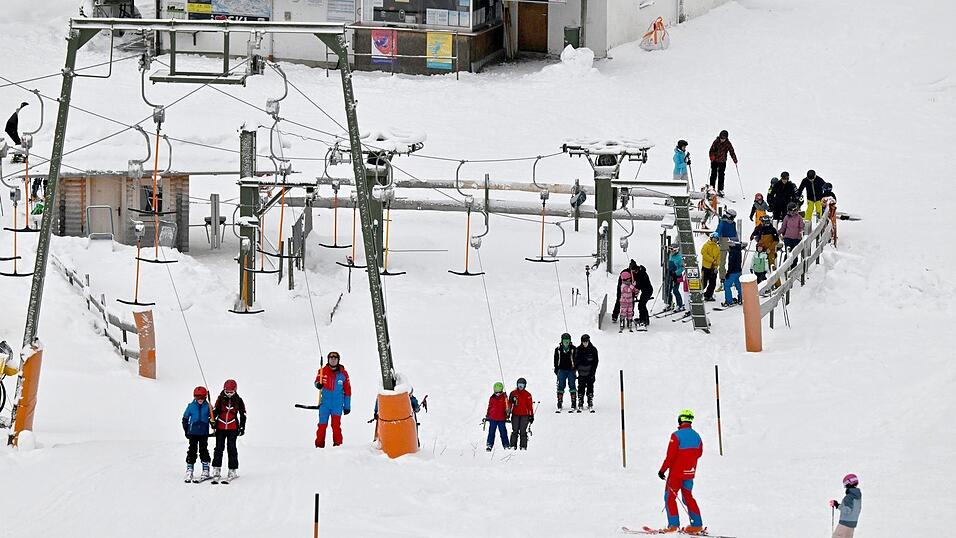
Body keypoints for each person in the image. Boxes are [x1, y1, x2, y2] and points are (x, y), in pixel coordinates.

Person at [657, 409, 704, 534]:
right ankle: (697, 524)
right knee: (688, 497)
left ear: (680, 420)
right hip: (690, 474)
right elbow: (699, 453)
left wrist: (662, 470)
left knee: (669, 498)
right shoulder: (697, 436)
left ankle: (673, 525)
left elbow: (670, 456)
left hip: (676, 475)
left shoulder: (676, 436)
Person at [211, 379, 246, 483]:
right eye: (227, 392)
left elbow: (243, 414)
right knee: (218, 448)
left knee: (231, 448)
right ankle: (216, 469)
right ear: (224, 390)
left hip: (233, 428)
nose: (229, 394)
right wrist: (212, 420)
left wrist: (242, 427)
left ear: (235, 391)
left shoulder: (238, 400)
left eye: (231, 392)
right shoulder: (220, 398)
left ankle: (232, 470)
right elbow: (216, 411)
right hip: (221, 427)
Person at [314, 351, 352, 448]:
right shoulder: (322, 371)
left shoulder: (343, 374)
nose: (333, 359)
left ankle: (338, 447)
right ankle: (319, 447)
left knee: (336, 427)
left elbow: (348, 390)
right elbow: (317, 382)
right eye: (331, 358)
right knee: (322, 426)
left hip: (337, 405)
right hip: (325, 405)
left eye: (335, 358)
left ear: (338, 360)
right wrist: (318, 385)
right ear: (328, 359)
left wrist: (347, 406)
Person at [181, 386, 212, 483]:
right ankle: (190, 469)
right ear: (194, 397)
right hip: (193, 432)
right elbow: (185, 418)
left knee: (203, 450)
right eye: (197, 398)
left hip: (203, 433)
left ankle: (206, 469)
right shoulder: (191, 406)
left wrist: (213, 423)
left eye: (202, 397)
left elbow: (213, 417)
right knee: (192, 450)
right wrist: (186, 430)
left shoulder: (208, 406)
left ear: (206, 397)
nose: (200, 400)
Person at [829, 474, 862, 538]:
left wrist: (837, 505)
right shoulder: (858, 496)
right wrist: (838, 505)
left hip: (845, 523)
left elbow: (847, 510)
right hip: (852, 524)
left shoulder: (849, 497)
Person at [707, 130, 737, 196]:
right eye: (721, 138)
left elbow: (731, 151)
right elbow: (711, 150)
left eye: (724, 138)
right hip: (715, 161)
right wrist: (711, 156)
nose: (722, 140)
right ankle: (712, 188)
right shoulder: (716, 142)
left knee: (721, 175)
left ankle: (720, 189)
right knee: (713, 175)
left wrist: (734, 159)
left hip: (722, 161)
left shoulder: (728, 143)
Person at [507, 378, 534, 450]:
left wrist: (531, 415)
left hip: (525, 415)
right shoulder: (513, 393)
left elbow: (530, 406)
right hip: (515, 414)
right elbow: (509, 404)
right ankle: (513, 445)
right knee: (515, 430)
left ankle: (523, 446)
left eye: (522, 385)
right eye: (519, 384)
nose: (520, 386)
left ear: (525, 385)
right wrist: (508, 412)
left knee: (523, 431)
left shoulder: (528, 395)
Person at [553, 333, 577, 412]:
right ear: (562, 341)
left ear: (570, 341)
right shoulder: (558, 349)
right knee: (561, 386)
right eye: (564, 341)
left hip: (571, 370)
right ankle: (560, 401)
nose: (566, 342)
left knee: (572, 385)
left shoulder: (573, 349)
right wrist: (557, 370)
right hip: (562, 370)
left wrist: (575, 369)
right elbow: (556, 361)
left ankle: (573, 402)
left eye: (567, 341)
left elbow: (576, 359)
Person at [575, 334, 598, 412]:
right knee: (581, 387)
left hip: (590, 372)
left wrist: (593, 372)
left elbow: (595, 362)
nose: (585, 343)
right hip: (581, 373)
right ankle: (580, 402)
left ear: (589, 341)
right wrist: (578, 368)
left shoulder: (593, 349)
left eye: (586, 341)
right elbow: (575, 360)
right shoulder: (578, 349)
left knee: (590, 387)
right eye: (583, 342)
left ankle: (590, 401)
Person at [485, 382, 510, 451]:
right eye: (496, 391)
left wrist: (508, 412)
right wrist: (488, 414)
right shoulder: (492, 398)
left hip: (501, 418)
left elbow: (508, 407)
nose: (498, 393)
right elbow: (490, 407)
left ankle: (506, 445)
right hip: (492, 418)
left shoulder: (504, 398)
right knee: (491, 432)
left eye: (499, 391)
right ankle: (489, 445)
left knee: (503, 432)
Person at [715, 208, 738, 281]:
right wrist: (716, 239)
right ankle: (723, 277)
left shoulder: (733, 223)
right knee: (722, 261)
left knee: (733, 260)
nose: (733, 219)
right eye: (732, 217)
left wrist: (737, 242)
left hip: (732, 242)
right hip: (723, 242)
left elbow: (735, 233)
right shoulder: (723, 222)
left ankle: (732, 276)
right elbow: (718, 232)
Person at [722, 240, 745, 307]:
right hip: (738, 271)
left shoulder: (732, 252)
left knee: (727, 285)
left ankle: (729, 301)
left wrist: (728, 273)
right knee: (739, 286)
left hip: (733, 272)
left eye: (730, 244)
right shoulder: (738, 250)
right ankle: (741, 299)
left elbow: (731, 264)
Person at [700, 233, 720, 302]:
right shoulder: (706, 245)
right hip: (706, 267)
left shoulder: (717, 247)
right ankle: (698, 294)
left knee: (712, 283)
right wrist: (712, 260)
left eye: (716, 239)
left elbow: (718, 258)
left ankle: (708, 295)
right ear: (711, 238)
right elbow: (703, 253)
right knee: (703, 282)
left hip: (713, 268)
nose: (715, 240)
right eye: (714, 238)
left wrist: (716, 266)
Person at [666, 245, 685, 312]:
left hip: (677, 276)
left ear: (676, 250)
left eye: (672, 250)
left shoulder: (680, 258)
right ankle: (669, 303)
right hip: (671, 275)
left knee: (675, 290)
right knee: (668, 289)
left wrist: (676, 273)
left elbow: (682, 268)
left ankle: (680, 305)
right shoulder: (671, 256)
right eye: (670, 250)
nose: (671, 252)